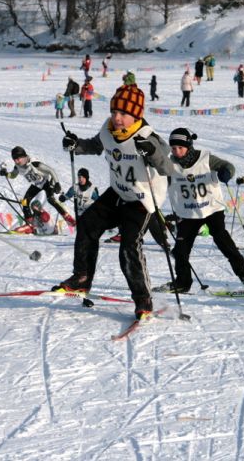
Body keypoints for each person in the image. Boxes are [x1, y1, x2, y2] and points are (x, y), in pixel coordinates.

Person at [57, 83, 173, 319]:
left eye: (123, 114)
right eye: (114, 112)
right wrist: (76, 145)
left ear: (136, 115)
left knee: (128, 249)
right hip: (119, 192)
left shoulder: (148, 138)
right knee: (88, 224)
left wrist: (151, 152)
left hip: (142, 200)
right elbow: (94, 145)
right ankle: (81, 278)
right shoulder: (108, 129)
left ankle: (143, 301)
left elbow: (167, 167)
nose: (117, 118)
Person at [156, 128, 244, 294]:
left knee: (223, 241)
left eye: (181, 148)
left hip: (211, 209)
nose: (177, 152)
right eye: (173, 148)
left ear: (189, 146)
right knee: (180, 251)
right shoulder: (170, 165)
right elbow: (154, 175)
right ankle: (183, 283)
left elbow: (227, 166)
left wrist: (226, 172)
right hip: (187, 214)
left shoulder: (205, 159)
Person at [1, 146, 74, 227]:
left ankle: (68, 218)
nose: (17, 161)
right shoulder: (17, 167)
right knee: (24, 202)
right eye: (14, 159)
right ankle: (30, 223)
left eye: (18, 159)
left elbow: (51, 170)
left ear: (24, 156)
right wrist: (6, 173)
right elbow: (13, 175)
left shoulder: (34, 163)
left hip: (47, 182)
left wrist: (57, 183)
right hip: (36, 184)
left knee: (51, 200)